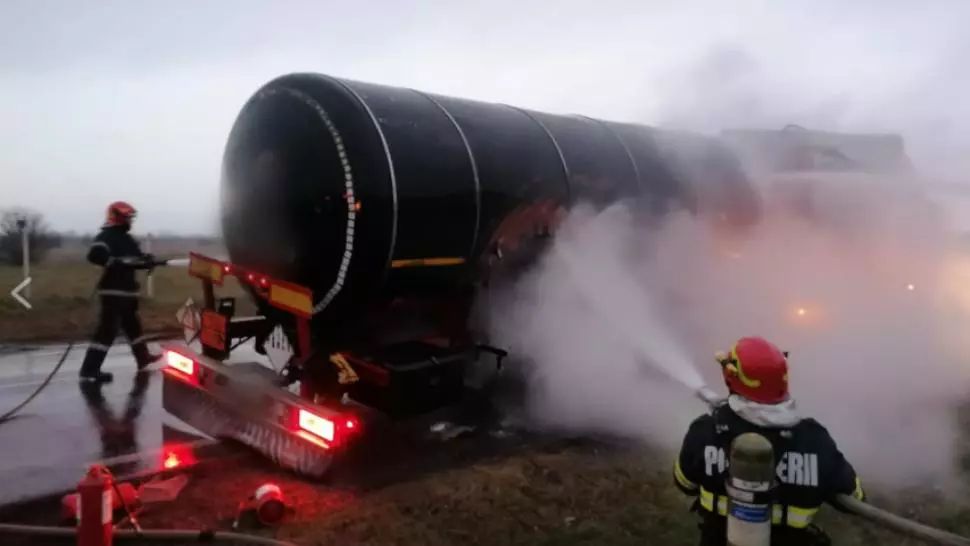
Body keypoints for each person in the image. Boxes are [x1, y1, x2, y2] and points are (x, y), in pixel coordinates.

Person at [673, 336, 865, 546]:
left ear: (731, 377)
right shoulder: (815, 440)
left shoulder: (705, 431)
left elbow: (684, 482)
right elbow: (855, 497)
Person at [78, 201, 161, 383]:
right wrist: (113, 261)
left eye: (130, 218)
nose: (130, 221)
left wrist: (146, 260)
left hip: (128, 292)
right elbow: (95, 255)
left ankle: (143, 359)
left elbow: (135, 259)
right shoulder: (107, 236)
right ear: (117, 217)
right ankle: (89, 369)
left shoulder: (127, 239)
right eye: (127, 218)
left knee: (133, 327)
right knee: (107, 331)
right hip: (113, 292)